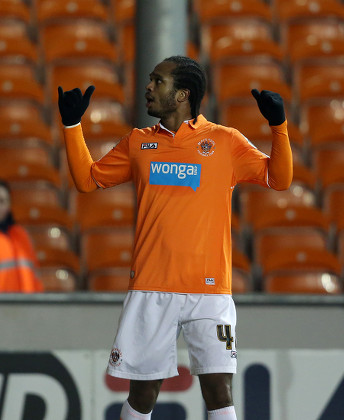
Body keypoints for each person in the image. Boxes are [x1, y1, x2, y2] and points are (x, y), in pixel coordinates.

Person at [58, 56, 293, 420]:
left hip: (210, 291)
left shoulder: (224, 142)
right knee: (143, 393)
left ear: (182, 94)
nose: (148, 88)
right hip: (152, 286)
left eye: (158, 81)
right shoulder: (138, 142)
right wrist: (72, 125)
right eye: (150, 80)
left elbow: (279, 179)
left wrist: (278, 125)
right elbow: (88, 181)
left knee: (219, 391)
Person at [0, 180, 43, 292]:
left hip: (26, 305)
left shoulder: (21, 235)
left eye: (2, 201)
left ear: (9, 205)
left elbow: (35, 275)